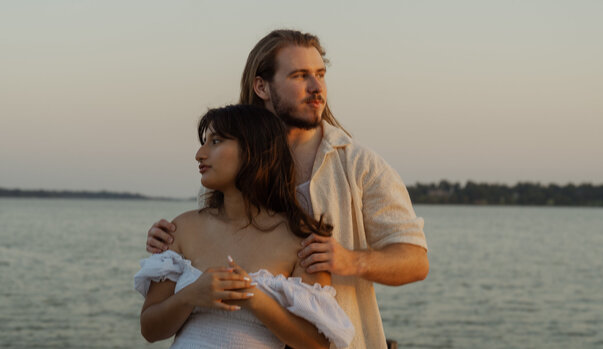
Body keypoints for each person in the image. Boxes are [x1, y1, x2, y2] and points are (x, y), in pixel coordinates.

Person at [147, 30, 429, 349]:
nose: (316, 87)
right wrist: (167, 240)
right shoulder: (231, 161)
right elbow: (209, 232)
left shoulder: (360, 165)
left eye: (320, 74)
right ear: (262, 86)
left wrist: (350, 260)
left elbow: (416, 261)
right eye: (299, 75)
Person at [135, 104, 354, 349]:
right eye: (204, 142)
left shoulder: (300, 242)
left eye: (215, 141)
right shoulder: (182, 229)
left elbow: (317, 345)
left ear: (255, 151)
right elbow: (150, 329)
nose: (200, 154)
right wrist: (191, 296)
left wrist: (254, 299)